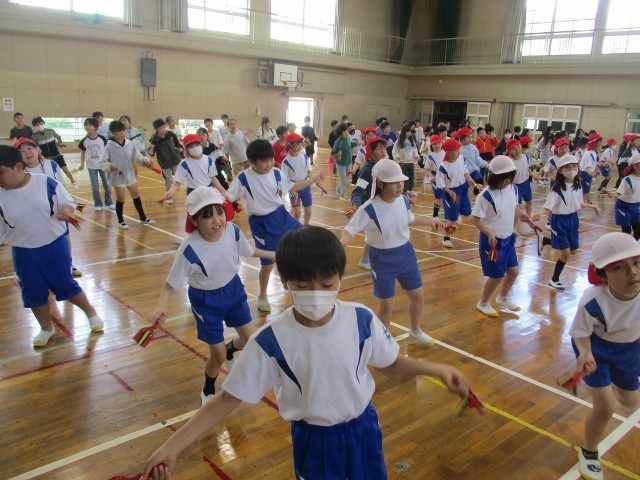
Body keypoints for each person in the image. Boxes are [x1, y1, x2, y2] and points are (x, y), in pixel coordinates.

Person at [140, 225, 473, 480]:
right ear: (285, 281)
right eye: (302, 286)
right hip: (315, 441)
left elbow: (390, 363)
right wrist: (171, 447)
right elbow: (228, 399)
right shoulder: (270, 340)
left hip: (364, 430)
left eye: (326, 285)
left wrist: (437, 369)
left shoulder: (361, 319)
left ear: (340, 277)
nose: (316, 294)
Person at [150, 187, 274, 405]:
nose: (217, 220)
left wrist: (275, 254)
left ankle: (230, 349)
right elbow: (169, 285)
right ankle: (208, 387)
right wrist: (161, 306)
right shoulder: (189, 248)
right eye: (207, 216)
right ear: (194, 221)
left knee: (251, 341)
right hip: (206, 301)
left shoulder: (232, 231)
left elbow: (250, 251)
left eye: (219, 212)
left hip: (234, 290)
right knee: (217, 355)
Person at [0, 145, 104, 347]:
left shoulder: (45, 183)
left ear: (18, 167)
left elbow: (69, 203)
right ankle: (46, 328)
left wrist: (66, 211)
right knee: (33, 291)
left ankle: (91, 313)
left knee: (65, 285)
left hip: (53, 246)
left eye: (0, 172)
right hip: (23, 252)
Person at [342, 159, 442, 345]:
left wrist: (431, 222)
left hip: (406, 254)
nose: (400, 185)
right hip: (382, 259)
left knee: (417, 295)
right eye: (394, 182)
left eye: (401, 181)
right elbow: (350, 228)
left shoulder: (403, 200)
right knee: (386, 304)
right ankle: (382, 342)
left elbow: (409, 219)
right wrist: (344, 243)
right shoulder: (369, 208)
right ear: (380, 184)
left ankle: (415, 330)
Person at [569, 232, 640, 480]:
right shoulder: (593, 300)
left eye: (636, 263)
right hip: (596, 350)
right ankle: (589, 451)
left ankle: (609, 384)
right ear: (602, 275)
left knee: (630, 402)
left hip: (629, 348)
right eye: (618, 267)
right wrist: (585, 352)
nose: (632, 272)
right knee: (606, 407)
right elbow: (579, 333)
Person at [225, 139, 324, 313]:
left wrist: (312, 180)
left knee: (303, 240)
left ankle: (290, 279)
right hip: (261, 224)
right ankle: (263, 295)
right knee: (268, 264)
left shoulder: (277, 173)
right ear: (252, 161)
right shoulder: (243, 179)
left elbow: (292, 186)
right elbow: (227, 198)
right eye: (263, 161)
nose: (269, 164)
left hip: (281, 215)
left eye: (270, 159)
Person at [13, 137, 83, 277]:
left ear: (37, 149)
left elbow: (61, 186)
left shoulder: (51, 165)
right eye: (22, 151)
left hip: (55, 209)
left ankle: (68, 264)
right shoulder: (18, 171)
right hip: (33, 212)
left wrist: (66, 205)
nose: (27, 153)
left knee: (64, 236)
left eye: (29, 148)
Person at [472, 156, 529, 317]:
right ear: (495, 177)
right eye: (505, 178)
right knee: (497, 276)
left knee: (514, 271)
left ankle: (502, 297)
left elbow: (513, 205)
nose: (508, 181)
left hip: (508, 238)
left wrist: (521, 213)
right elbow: (476, 218)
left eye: (510, 177)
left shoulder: (512, 189)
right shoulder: (485, 196)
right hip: (492, 242)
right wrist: (489, 233)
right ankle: (483, 302)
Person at [534, 154, 601, 291]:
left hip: (573, 219)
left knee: (573, 251)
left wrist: (593, 206)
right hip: (559, 221)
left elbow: (578, 203)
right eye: (567, 167)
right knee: (565, 255)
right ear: (560, 170)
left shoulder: (578, 185)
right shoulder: (557, 189)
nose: (571, 170)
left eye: (574, 166)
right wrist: (539, 213)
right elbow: (548, 205)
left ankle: (545, 240)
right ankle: (554, 280)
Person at [99, 120, 155, 230]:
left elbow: (137, 157)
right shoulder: (109, 146)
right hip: (117, 176)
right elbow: (102, 162)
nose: (122, 133)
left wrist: (144, 161)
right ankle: (121, 221)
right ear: (112, 133)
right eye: (118, 131)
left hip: (130, 173)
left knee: (136, 195)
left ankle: (143, 218)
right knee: (121, 199)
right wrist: (111, 167)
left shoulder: (130, 144)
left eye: (123, 130)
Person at [349, 135, 387, 270]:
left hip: (381, 207)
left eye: (384, 148)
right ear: (371, 153)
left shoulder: (382, 167)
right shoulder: (367, 170)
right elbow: (358, 190)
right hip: (371, 208)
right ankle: (367, 259)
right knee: (378, 234)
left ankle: (365, 259)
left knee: (376, 234)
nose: (383, 151)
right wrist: (356, 204)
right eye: (379, 149)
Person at [436, 138, 481, 248]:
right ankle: (446, 239)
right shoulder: (443, 167)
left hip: (463, 188)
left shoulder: (461, 158)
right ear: (448, 152)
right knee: (452, 218)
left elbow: (465, 171)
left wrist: (470, 179)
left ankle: (457, 213)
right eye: (456, 150)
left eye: (459, 150)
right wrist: (449, 191)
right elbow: (440, 183)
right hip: (451, 192)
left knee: (467, 211)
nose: (459, 152)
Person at [161, 134, 227, 203]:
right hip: (193, 193)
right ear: (187, 149)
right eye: (191, 146)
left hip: (208, 190)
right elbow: (177, 183)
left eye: (196, 144)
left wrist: (222, 190)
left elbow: (213, 178)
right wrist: (170, 192)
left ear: (200, 144)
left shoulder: (209, 160)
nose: (194, 148)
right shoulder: (184, 164)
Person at [31, 116, 77, 187]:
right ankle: (56, 186)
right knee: (51, 174)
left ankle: (73, 182)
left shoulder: (51, 131)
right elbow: (35, 145)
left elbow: (58, 137)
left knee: (66, 170)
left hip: (57, 155)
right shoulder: (35, 136)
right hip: (47, 158)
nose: (39, 126)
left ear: (44, 123)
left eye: (40, 123)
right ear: (34, 126)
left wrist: (60, 143)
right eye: (37, 125)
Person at [78, 117, 112, 211]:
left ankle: (109, 202)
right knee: (95, 186)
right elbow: (83, 153)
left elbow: (108, 151)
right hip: (91, 166)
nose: (87, 126)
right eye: (86, 125)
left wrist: (110, 162)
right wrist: (82, 164)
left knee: (107, 185)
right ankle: (98, 204)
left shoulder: (102, 139)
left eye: (90, 125)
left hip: (103, 165)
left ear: (96, 127)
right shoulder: (84, 141)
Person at [507, 137, 539, 233]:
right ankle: (515, 228)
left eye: (518, 147)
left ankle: (529, 219)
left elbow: (527, 168)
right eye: (513, 149)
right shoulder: (509, 161)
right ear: (509, 151)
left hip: (525, 183)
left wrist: (533, 175)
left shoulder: (526, 157)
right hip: (515, 186)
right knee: (518, 207)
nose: (517, 150)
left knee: (529, 201)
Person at [281, 132, 314, 225]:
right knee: (297, 213)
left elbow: (308, 172)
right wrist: (291, 191)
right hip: (294, 187)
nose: (300, 146)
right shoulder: (286, 162)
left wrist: (315, 180)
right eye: (297, 144)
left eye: (300, 143)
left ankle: (306, 228)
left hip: (305, 186)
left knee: (308, 211)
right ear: (290, 145)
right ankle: (295, 230)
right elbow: (284, 179)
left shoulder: (304, 156)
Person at [606, 153, 640, 239]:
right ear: (634, 166)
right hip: (623, 207)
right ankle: (626, 246)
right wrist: (611, 194)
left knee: (638, 229)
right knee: (626, 231)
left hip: (636, 206)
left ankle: (636, 246)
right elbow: (618, 193)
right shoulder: (627, 180)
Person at [148, 118, 183, 200]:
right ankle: (168, 197)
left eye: (164, 127)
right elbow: (152, 152)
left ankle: (175, 186)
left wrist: (180, 148)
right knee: (168, 180)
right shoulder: (154, 139)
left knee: (178, 176)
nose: (163, 129)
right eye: (160, 128)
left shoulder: (171, 134)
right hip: (164, 162)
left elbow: (178, 144)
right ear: (156, 129)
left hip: (175, 159)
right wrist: (150, 152)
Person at [392, 124, 420, 197]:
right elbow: (394, 150)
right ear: (403, 132)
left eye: (409, 132)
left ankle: (410, 189)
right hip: (403, 162)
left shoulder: (411, 140)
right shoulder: (399, 141)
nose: (408, 133)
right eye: (406, 132)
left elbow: (415, 149)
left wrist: (416, 155)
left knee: (411, 177)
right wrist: (397, 157)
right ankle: (404, 191)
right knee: (405, 177)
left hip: (410, 162)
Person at [459, 127, 488, 195]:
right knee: (463, 188)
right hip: (463, 172)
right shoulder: (459, 149)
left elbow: (478, 159)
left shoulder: (473, 147)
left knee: (480, 180)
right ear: (462, 138)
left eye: (471, 137)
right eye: (468, 137)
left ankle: (477, 193)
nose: (470, 139)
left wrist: (486, 164)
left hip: (474, 170)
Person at [331, 124, 354, 200]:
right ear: (340, 134)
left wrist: (356, 143)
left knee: (346, 180)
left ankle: (339, 189)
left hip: (349, 162)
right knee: (343, 180)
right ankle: (342, 195)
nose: (346, 133)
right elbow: (333, 152)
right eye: (344, 132)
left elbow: (350, 144)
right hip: (341, 164)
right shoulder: (338, 142)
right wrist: (338, 156)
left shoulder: (348, 138)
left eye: (346, 131)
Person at [424, 134, 445, 219]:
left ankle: (451, 213)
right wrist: (431, 176)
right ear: (431, 145)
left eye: (438, 143)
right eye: (434, 144)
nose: (437, 145)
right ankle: (435, 215)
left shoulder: (446, 153)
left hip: (445, 177)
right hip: (435, 178)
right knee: (439, 198)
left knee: (448, 196)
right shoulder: (430, 156)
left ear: (442, 143)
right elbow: (427, 169)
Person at [579, 133, 602, 205]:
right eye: (599, 141)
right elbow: (586, 168)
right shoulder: (589, 154)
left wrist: (596, 170)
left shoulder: (594, 152)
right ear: (595, 142)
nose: (601, 143)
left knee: (587, 190)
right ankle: (580, 207)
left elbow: (594, 164)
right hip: (584, 174)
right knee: (584, 192)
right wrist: (592, 174)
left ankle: (588, 202)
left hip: (588, 175)